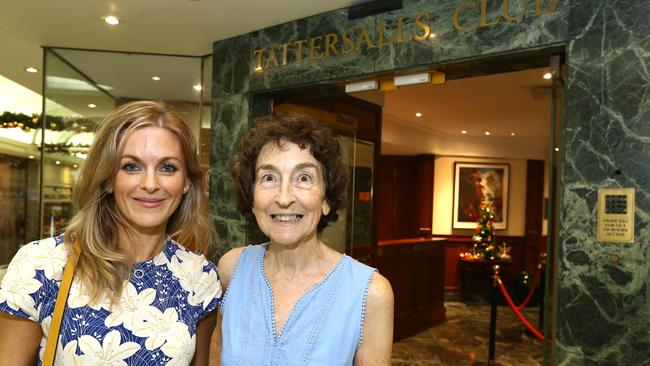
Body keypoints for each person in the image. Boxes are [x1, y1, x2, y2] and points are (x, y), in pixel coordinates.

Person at [0, 101, 221, 365]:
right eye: (131, 166)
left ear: (186, 182)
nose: (150, 184)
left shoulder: (200, 277)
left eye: (167, 167)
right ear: (107, 179)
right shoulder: (42, 265)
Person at [217, 113, 394, 365]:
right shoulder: (231, 269)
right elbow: (217, 346)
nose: (284, 197)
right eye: (269, 178)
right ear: (252, 197)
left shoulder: (370, 293)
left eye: (304, 178)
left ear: (326, 200)